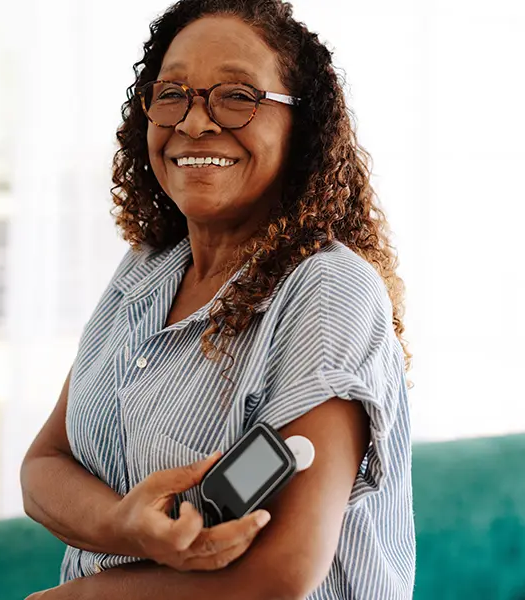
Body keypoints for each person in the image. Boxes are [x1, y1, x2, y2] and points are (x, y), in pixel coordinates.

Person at [21, 0, 416, 598]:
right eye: (172, 93)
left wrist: (77, 596)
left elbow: (283, 572)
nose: (196, 122)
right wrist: (124, 525)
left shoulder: (329, 291)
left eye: (237, 96)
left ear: (300, 127)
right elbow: (44, 466)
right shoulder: (145, 270)